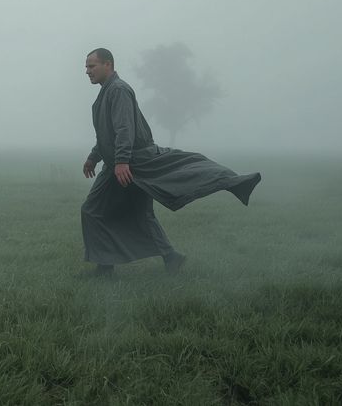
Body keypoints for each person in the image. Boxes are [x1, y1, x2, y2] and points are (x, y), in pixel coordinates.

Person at [81, 48, 261, 276]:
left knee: (96, 209)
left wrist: (122, 161)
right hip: (118, 162)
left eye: (91, 66)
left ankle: (107, 268)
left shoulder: (118, 90)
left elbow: (124, 129)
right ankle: (167, 258)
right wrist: (93, 157)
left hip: (132, 162)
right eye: (86, 67)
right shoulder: (106, 93)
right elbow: (107, 134)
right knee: (120, 211)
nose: (87, 71)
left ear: (108, 64)